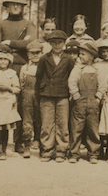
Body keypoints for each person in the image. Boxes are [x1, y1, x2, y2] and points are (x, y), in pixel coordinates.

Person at [0, 0, 37, 155]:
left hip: (23, 68)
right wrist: (19, 45)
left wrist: (10, 43)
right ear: (8, 6)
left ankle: (20, 142)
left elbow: (30, 44)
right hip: (4, 69)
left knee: (22, 106)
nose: (16, 6)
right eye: (13, 4)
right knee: (2, 102)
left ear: (23, 7)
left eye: (19, 4)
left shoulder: (29, 23)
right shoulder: (0, 24)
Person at [35, 30, 75, 162]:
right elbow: (39, 77)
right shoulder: (44, 59)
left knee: (62, 124)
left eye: (59, 43)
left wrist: (70, 94)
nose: (57, 45)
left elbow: (72, 77)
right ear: (50, 44)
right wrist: (39, 95)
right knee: (47, 124)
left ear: (64, 43)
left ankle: (61, 151)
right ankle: (47, 150)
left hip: (63, 94)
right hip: (47, 94)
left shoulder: (69, 59)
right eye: (53, 43)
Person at [68, 42, 102, 164]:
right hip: (80, 102)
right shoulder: (78, 69)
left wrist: (98, 97)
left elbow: (102, 85)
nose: (80, 56)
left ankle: (93, 153)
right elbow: (72, 83)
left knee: (93, 128)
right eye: (80, 54)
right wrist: (76, 96)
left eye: (83, 54)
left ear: (92, 56)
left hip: (93, 102)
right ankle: (74, 153)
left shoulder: (97, 69)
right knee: (76, 128)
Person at [19, 41, 44, 158]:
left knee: (41, 120)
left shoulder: (44, 67)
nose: (35, 55)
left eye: (37, 53)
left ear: (41, 53)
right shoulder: (25, 68)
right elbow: (22, 83)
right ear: (28, 55)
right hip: (27, 95)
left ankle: (40, 144)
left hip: (41, 95)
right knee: (27, 121)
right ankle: (27, 146)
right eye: (32, 53)